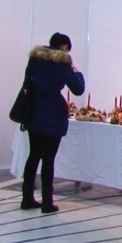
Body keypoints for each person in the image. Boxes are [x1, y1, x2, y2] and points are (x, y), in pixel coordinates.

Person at [20, 33, 85, 214]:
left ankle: (27, 198)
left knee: (33, 155)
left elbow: (28, 81)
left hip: (33, 112)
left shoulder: (35, 59)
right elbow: (78, 89)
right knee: (48, 159)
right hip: (53, 116)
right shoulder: (63, 63)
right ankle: (47, 202)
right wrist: (77, 73)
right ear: (64, 46)